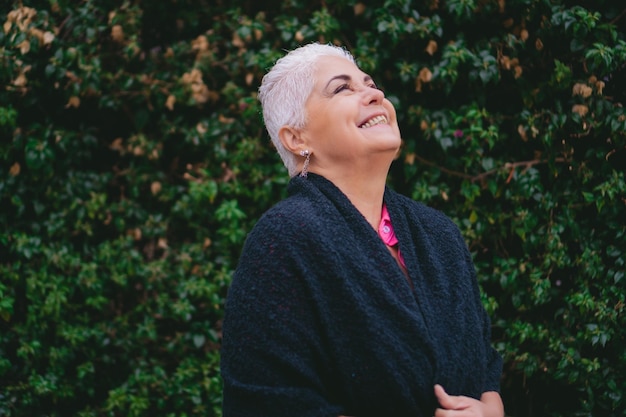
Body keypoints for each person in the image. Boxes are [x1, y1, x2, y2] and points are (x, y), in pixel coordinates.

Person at [220, 42, 504, 417]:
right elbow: (264, 403)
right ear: (297, 139)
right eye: (342, 88)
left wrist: (490, 411)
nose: (374, 93)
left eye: (369, 83)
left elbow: (486, 369)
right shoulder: (284, 240)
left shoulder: (439, 235)